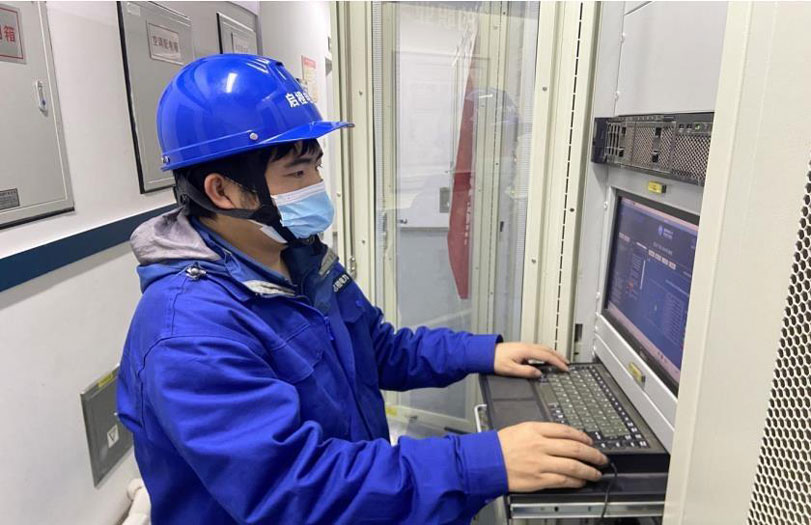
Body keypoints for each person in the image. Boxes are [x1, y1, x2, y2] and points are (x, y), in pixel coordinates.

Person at [116, 54, 608, 525]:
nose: (318, 184)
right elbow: (295, 490)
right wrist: (480, 462)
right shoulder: (190, 333)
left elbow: (377, 348)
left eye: (316, 166)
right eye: (298, 172)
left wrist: (482, 353)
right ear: (222, 191)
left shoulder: (298, 258)